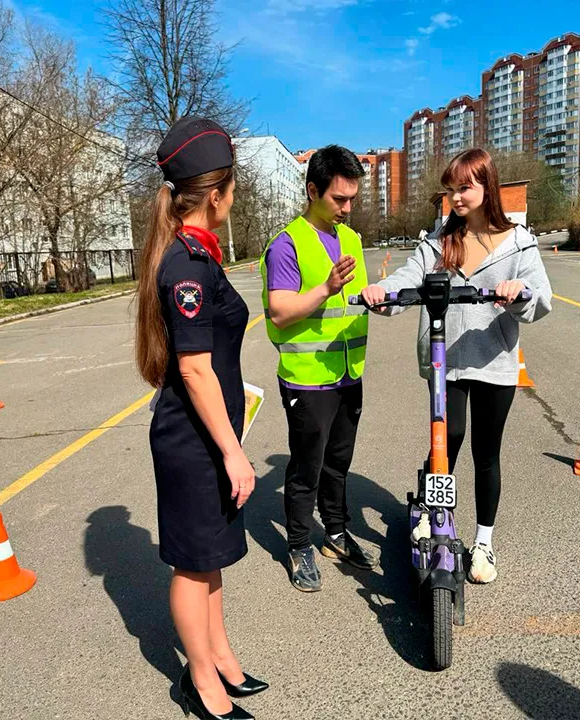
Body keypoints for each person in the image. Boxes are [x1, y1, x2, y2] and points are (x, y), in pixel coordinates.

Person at [361, 148, 552, 585]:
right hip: (444, 362)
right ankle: (432, 512)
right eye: (451, 190)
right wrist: (382, 293)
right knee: (448, 439)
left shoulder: (519, 243)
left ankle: (483, 542)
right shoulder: (439, 242)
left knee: (486, 452)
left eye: (465, 188)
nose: (456, 198)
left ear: (488, 187)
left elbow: (542, 297)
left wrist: (519, 291)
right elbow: (407, 279)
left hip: (493, 362)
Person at [137, 116, 267, 720]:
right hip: (193, 441)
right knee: (193, 565)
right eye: (233, 188)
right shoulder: (187, 266)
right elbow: (193, 370)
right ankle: (199, 681)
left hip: (210, 436)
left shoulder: (199, 256)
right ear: (215, 195)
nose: (234, 198)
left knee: (210, 556)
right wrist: (234, 454)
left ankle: (220, 656)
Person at [260, 145, 376, 593]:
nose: (347, 208)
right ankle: (298, 545)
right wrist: (326, 287)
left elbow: (355, 298)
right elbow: (280, 312)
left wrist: (379, 300)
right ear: (312, 190)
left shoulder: (352, 240)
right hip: (308, 378)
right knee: (306, 467)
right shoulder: (287, 244)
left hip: (348, 371)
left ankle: (337, 534)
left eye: (352, 199)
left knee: (338, 463)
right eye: (339, 199)